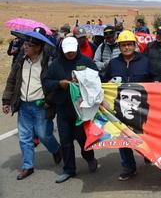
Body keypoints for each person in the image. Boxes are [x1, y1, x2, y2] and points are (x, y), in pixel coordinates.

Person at [2, 31, 62, 180]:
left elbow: (55, 84)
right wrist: (6, 100)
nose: (25, 46)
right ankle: (27, 166)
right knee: (24, 137)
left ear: (39, 47)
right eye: (25, 43)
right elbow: (11, 81)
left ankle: (56, 150)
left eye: (29, 45)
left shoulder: (48, 62)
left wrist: (50, 101)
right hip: (23, 105)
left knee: (43, 135)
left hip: (41, 105)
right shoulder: (21, 60)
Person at [42, 37, 99, 183]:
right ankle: (69, 169)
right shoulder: (56, 64)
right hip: (63, 109)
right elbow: (46, 82)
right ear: (62, 50)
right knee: (65, 140)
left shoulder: (86, 62)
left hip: (81, 109)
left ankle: (89, 157)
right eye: (67, 52)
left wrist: (83, 82)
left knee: (82, 139)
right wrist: (58, 83)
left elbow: (97, 80)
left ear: (77, 48)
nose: (70, 54)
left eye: (73, 51)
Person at [103, 30, 151, 181]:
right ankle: (129, 167)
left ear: (134, 45)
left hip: (141, 107)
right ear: (119, 46)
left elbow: (155, 80)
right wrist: (107, 84)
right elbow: (104, 81)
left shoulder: (145, 61)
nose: (126, 48)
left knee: (146, 135)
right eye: (123, 45)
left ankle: (150, 156)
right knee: (123, 138)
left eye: (129, 44)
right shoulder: (113, 63)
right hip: (120, 107)